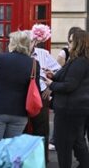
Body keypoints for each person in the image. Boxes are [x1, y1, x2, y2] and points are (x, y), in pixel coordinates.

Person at [0, 30, 39, 141]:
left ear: (14, 44)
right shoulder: (34, 63)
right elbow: (37, 90)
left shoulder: (0, 58)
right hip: (20, 113)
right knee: (11, 149)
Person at [50, 30, 89, 168]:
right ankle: (85, 165)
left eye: (71, 41)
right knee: (78, 141)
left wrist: (51, 84)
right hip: (76, 108)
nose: (68, 44)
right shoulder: (81, 60)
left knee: (63, 144)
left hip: (69, 108)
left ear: (79, 43)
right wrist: (53, 76)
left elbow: (69, 85)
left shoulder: (79, 62)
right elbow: (67, 77)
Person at [28, 24, 60, 155]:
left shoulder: (43, 54)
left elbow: (60, 72)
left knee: (41, 129)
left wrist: (51, 87)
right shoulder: (18, 56)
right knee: (23, 129)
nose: (30, 44)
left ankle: (42, 159)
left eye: (32, 41)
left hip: (41, 94)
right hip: (22, 94)